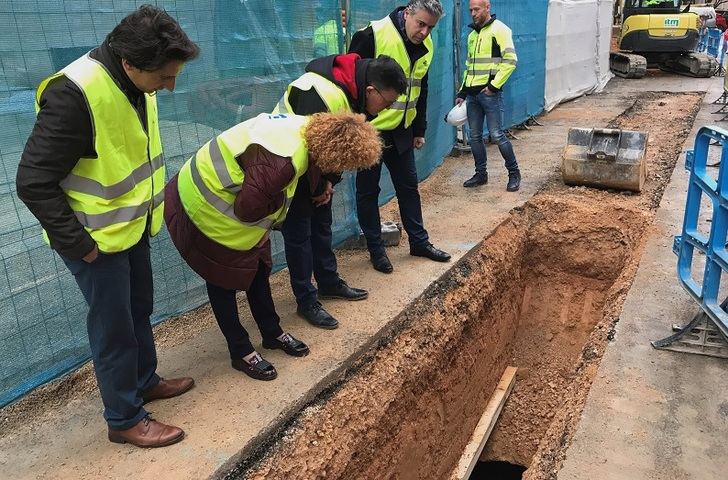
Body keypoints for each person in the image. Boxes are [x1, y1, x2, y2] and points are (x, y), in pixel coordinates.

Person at [16, 6, 199, 448]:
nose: (170, 86)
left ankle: (144, 379)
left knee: (139, 309)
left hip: (130, 227)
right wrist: (80, 246)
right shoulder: (73, 96)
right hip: (95, 240)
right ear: (130, 64)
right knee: (113, 327)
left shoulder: (137, 78)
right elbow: (32, 181)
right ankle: (124, 418)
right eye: (164, 77)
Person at [164, 112, 382, 381]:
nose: (342, 171)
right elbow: (248, 208)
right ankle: (240, 349)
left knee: (258, 270)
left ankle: (271, 332)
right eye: (344, 165)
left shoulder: (306, 132)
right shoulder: (283, 163)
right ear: (335, 156)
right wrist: (270, 219)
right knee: (222, 278)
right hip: (202, 207)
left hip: (226, 198)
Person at [274, 54, 406, 329]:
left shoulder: (354, 92)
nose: (385, 110)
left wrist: (328, 182)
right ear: (371, 90)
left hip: (315, 165)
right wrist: (319, 183)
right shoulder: (318, 94)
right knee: (299, 232)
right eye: (387, 102)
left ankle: (328, 282)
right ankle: (306, 300)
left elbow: (335, 150)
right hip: (289, 164)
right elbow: (309, 148)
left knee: (322, 224)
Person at [348, 0, 451, 274]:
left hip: (402, 131)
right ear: (407, 13)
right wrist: (356, 129)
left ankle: (419, 242)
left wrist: (419, 129)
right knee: (368, 191)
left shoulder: (425, 45)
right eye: (421, 24)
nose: (425, 32)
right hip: (370, 130)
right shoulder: (371, 36)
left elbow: (422, 87)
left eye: (431, 27)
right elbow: (350, 83)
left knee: (408, 187)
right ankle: (376, 249)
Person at [456, 0, 521, 192]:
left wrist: (493, 87)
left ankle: (514, 174)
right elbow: (469, 66)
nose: (473, 13)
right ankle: (481, 175)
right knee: (474, 136)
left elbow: (510, 61)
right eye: (470, 10)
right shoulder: (472, 35)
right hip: (473, 96)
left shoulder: (500, 30)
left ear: (487, 8)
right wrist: (463, 91)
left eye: (477, 9)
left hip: (490, 94)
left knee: (497, 135)